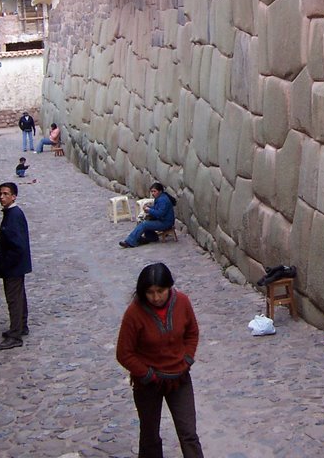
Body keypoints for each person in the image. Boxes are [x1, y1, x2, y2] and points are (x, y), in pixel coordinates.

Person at [116, 263, 203, 458]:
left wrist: (187, 359)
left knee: (188, 433)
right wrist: (147, 374)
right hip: (148, 383)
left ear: (169, 287)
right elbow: (124, 352)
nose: (156, 297)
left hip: (179, 379)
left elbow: (192, 332)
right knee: (149, 436)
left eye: (160, 291)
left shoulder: (182, 302)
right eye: (150, 292)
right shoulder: (134, 313)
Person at [0, 183, 31, 350]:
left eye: (6, 194)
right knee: (19, 297)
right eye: (0, 194)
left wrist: (7, 264)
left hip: (13, 267)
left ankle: (15, 334)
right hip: (15, 265)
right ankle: (21, 326)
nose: (2, 197)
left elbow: (16, 244)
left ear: (13, 196)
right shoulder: (11, 213)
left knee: (14, 300)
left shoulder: (14, 215)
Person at [119, 183, 175, 248]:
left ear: (160, 191)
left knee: (144, 224)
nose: (153, 193)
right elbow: (157, 208)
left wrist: (149, 210)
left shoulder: (163, 200)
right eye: (152, 191)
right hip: (163, 220)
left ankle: (130, 242)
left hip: (166, 223)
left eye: (154, 191)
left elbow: (160, 213)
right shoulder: (159, 198)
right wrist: (150, 208)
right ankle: (151, 237)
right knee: (144, 220)